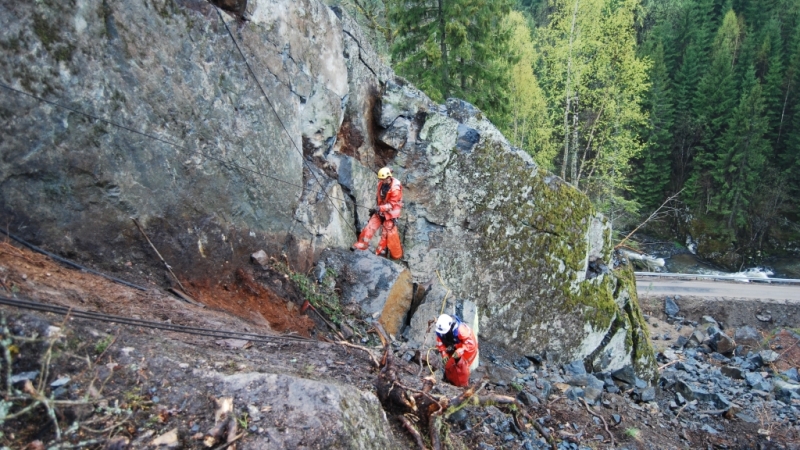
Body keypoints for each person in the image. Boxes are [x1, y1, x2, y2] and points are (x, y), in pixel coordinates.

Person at [351, 167, 403, 259]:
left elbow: (391, 204)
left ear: (388, 177)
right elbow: (380, 198)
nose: (382, 181)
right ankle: (362, 244)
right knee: (370, 226)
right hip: (381, 211)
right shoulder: (381, 185)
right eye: (381, 179)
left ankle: (379, 252)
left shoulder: (395, 189)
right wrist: (376, 210)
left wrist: (379, 208)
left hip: (391, 214)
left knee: (385, 235)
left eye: (383, 179)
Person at [435, 314, 478, 387]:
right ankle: (449, 379)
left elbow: (471, 345)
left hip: (467, 351)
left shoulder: (461, 330)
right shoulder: (441, 331)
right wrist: (443, 353)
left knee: (461, 367)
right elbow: (440, 342)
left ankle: (462, 385)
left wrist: (460, 351)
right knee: (449, 364)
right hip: (454, 347)